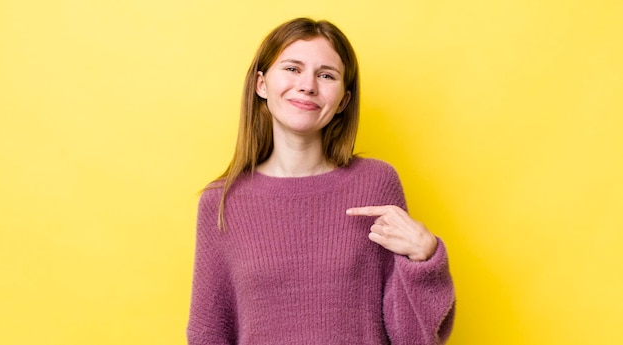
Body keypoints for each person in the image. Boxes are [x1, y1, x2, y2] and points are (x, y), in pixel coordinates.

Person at [187, 17, 455, 345]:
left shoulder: (376, 183)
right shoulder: (221, 202)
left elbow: (413, 337)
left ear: (343, 100)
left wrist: (425, 258)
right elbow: (207, 334)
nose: (308, 85)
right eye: (292, 68)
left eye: (326, 75)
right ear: (261, 84)